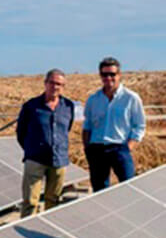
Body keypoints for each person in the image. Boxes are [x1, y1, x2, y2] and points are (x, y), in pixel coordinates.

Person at [15, 69, 76, 217]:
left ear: (63, 87)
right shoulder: (31, 106)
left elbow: (67, 128)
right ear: (45, 83)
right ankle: (26, 227)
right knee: (30, 201)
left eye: (59, 84)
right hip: (35, 160)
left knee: (53, 200)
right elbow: (21, 132)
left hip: (58, 160)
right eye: (52, 83)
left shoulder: (68, 106)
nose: (55, 87)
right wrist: (32, 149)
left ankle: (47, 228)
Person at [82, 56, 146, 191]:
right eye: (105, 74)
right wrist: (88, 148)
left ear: (119, 75)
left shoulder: (131, 98)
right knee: (99, 191)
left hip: (120, 148)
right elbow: (87, 125)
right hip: (97, 149)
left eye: (112, 74)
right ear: (100, 76)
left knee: (129, 187)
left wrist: (128, 147)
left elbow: (139, 126)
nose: (109, 78)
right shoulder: (93, 99)